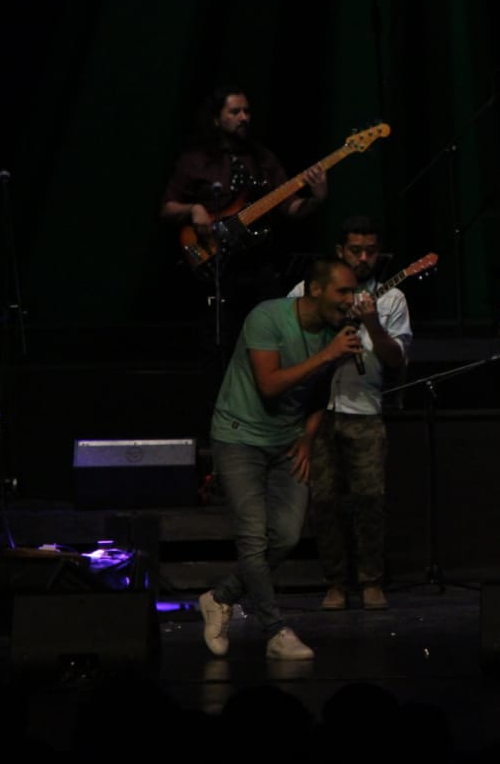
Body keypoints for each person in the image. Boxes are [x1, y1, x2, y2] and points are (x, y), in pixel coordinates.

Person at [198, 258, 363, 661]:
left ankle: (220, 598)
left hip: (287, 441)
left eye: (353, 292)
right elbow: (269, 385)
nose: (350, 300)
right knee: (254, 538)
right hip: (239, 436)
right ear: (315, 290)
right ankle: (275, 631)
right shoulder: (267, 318)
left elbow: (319, 393)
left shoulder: (335, 333)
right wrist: (327, 355)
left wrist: (307, 438)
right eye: (342, 291)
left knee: (286, 536)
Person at [290, 217, 412, 612]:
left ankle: (371, 580)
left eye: (370, 251)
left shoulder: (392, 299)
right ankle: (335, 583)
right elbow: (288, 335)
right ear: (340, 251)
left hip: (364, 410)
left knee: (370, 499)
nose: (363, 258)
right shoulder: (309, 290)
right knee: (323, 501)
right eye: (355, 250)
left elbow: (396, 360)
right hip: (317, 411)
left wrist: (373, 324)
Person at [161, 86, 329, 358]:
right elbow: (167, 208)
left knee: (268, 341)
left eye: (247, 112)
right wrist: (194, 209)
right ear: (217, 119)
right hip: (217, 268)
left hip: (258, 267)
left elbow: (290, 207)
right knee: (218, 344)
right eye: (235, 112)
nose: (244, 118)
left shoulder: (263, 159)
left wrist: (317, 198)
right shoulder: (195, 160)